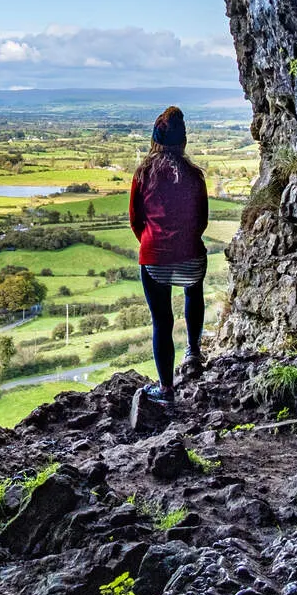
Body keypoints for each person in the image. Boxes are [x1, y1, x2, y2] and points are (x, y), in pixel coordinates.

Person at [128, 105, 209, 404]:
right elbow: (201, 220)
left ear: (155, 141)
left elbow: (136, 220)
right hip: (190, 255)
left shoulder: (143, 174)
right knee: (193, 293)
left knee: (162, 321)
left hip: (155, 259)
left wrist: (152, 243)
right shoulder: (194, 175)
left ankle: (166, 389)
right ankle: (193, 352)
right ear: (183, 141)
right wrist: (184, 242)